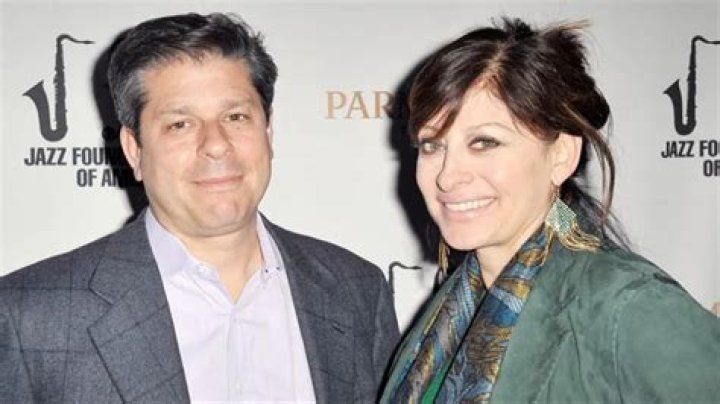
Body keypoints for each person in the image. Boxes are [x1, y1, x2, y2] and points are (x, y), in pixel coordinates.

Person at [0, 12, 399, 403]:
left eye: (236, 117)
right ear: (134, 150)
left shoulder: (356, 291)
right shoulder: (28, 319)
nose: (216, 144)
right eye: (181, 124)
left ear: (268, 130)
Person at [381, 17, 719, 403]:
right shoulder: (456, 302)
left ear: (561, 155)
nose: (447, 175)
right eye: (432, 145)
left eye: (484, 143)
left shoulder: (630, 306)